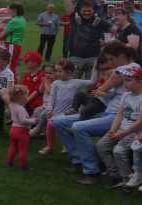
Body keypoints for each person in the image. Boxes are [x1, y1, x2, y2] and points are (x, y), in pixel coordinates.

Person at [53, 43, 132, 185]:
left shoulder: (127, 69)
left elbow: (102, 89)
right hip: (105, 112)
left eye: (111, 59)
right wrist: (101, 90)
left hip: (116, 117)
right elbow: (100, 91)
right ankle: (79, 161)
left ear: (121, 56)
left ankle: (91, 170)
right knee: (59, 121)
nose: (110, 63)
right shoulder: (121, 70)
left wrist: (102, 90)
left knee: (78, 127)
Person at [95, 64, 142, 189]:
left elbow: (139, 122)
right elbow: (120, 114)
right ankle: (115, 174)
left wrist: (122, 133)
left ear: (140, 81)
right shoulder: (126, 95)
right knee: (101, 146)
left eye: (128, 80)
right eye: (124, 80)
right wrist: (113, 130)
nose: (125, 84)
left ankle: (128, 179)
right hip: (120, 128)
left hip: (134, 132)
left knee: (118, 151)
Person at [38, 59, 93, 155]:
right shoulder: (56, 83)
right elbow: (52, 97)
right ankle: (50, 146)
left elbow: (92, 81)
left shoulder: (77, 82)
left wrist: (96, 69)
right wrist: (49, 109)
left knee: (68, 130)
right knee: (50, 126)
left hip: (69, 113)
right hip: (56, 112)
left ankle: (67, 145)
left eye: (60, 71)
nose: (57, 73)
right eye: (56, 71)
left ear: (69, 72)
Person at [65, 0, 113, 79]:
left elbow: (113, 30)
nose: (87, 13)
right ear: (79, 11)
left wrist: (107, 42)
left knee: (91, 84)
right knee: (70, 83)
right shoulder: (74, 18)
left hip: (93, 57)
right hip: (76, 57)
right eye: (84, 11)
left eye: (89, 11)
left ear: (93, 10)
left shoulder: (98, 21)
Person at [6, 85, 37, 171]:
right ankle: (24, 165)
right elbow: (23, 120)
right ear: (21, 97)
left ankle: (9, 161)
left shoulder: (12, 105)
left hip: (13, 129)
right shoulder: (20, 109)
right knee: (23, 149)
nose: (27, 98)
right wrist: (33, 121)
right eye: (26, 95)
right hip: (22, 131)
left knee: (13, 146)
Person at [0, 3, 26, 76]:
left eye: (9, 10)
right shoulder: (22, 19)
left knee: (8, 67)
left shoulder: (14, 21)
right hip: (17, 44)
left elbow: (1, 36)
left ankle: (10, 82)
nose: (8, 12)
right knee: (13, 65)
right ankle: (12, 81)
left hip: (11, 45)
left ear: (14, 10)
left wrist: (1, 30)